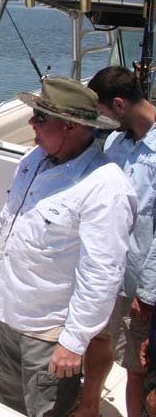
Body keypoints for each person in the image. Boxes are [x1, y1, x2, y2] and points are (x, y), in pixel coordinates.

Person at [0, 76, 137, 417]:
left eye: (41, 117)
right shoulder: (35, 157)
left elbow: (102, 275)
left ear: (72, 127)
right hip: (7, 314)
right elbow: (11, 211)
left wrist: (73, 342)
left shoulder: (106, 188)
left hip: (48, 334)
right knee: (7, 406)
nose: (31, 122)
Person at [76, 66, 156, 417]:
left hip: (142, 279)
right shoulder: (114, 142)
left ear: (119, 104)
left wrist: (147, 292)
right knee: (98, 339)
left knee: (137, 364)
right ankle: (89, 406)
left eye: (102, 111)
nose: (100, 120)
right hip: (109, 270)